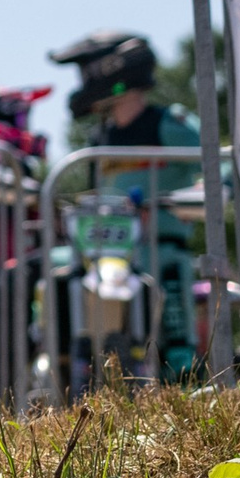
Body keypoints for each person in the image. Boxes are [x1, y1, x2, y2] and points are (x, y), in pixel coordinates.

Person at [48, 30, 201, 380]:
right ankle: (64, 371)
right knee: (53, 274)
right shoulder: (99, 138)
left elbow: (214, 162)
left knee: (173, 331)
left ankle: (182, 382)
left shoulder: (166, 123)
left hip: (159, 250)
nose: (82, 83)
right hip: (105, 252)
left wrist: (202, 191)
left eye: (88, 72)